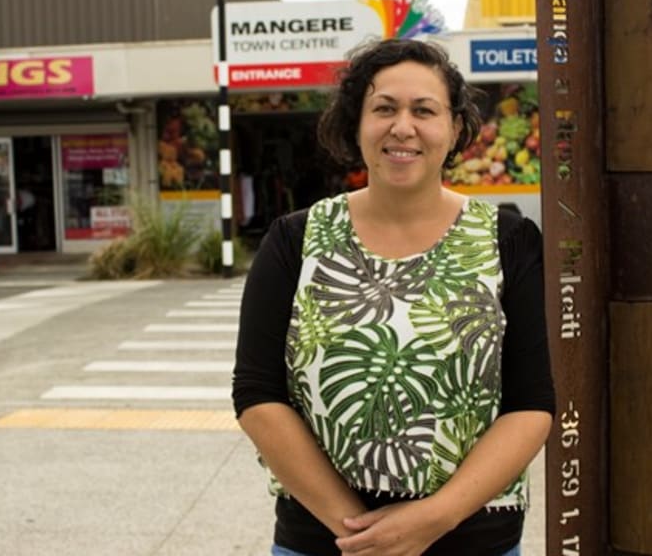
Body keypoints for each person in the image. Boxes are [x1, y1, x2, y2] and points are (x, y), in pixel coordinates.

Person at [232, 39, 555, 556]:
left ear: (453, 130)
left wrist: (431, 520)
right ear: (356, 125)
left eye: (424, 110)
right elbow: (257, 393)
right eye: (384, 108)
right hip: (323, 539)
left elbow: (531, 403)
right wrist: (363, 533)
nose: (402, 127)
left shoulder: (509, 241)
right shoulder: (294, 240)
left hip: (474, 538)